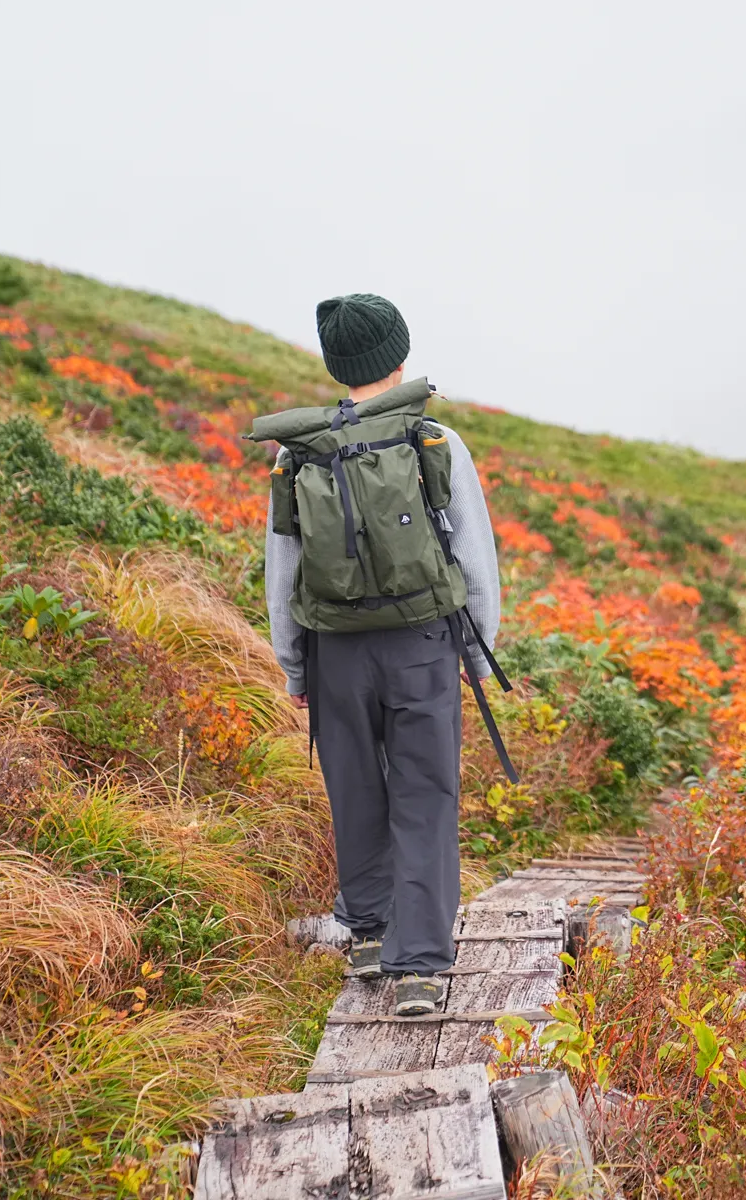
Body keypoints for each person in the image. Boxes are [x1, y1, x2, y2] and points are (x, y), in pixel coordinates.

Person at [261, 293, 502, 1018]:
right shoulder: (434, 439)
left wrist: (294, 665)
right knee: (425, 795)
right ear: (398, 356)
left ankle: (368, 934)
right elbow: (474, 558)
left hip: (335, 648)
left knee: (356, 786)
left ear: (336, 366)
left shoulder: (294, 450)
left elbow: (283, 573)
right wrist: (479, 655)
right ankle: (421, 970)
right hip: (423, 644)